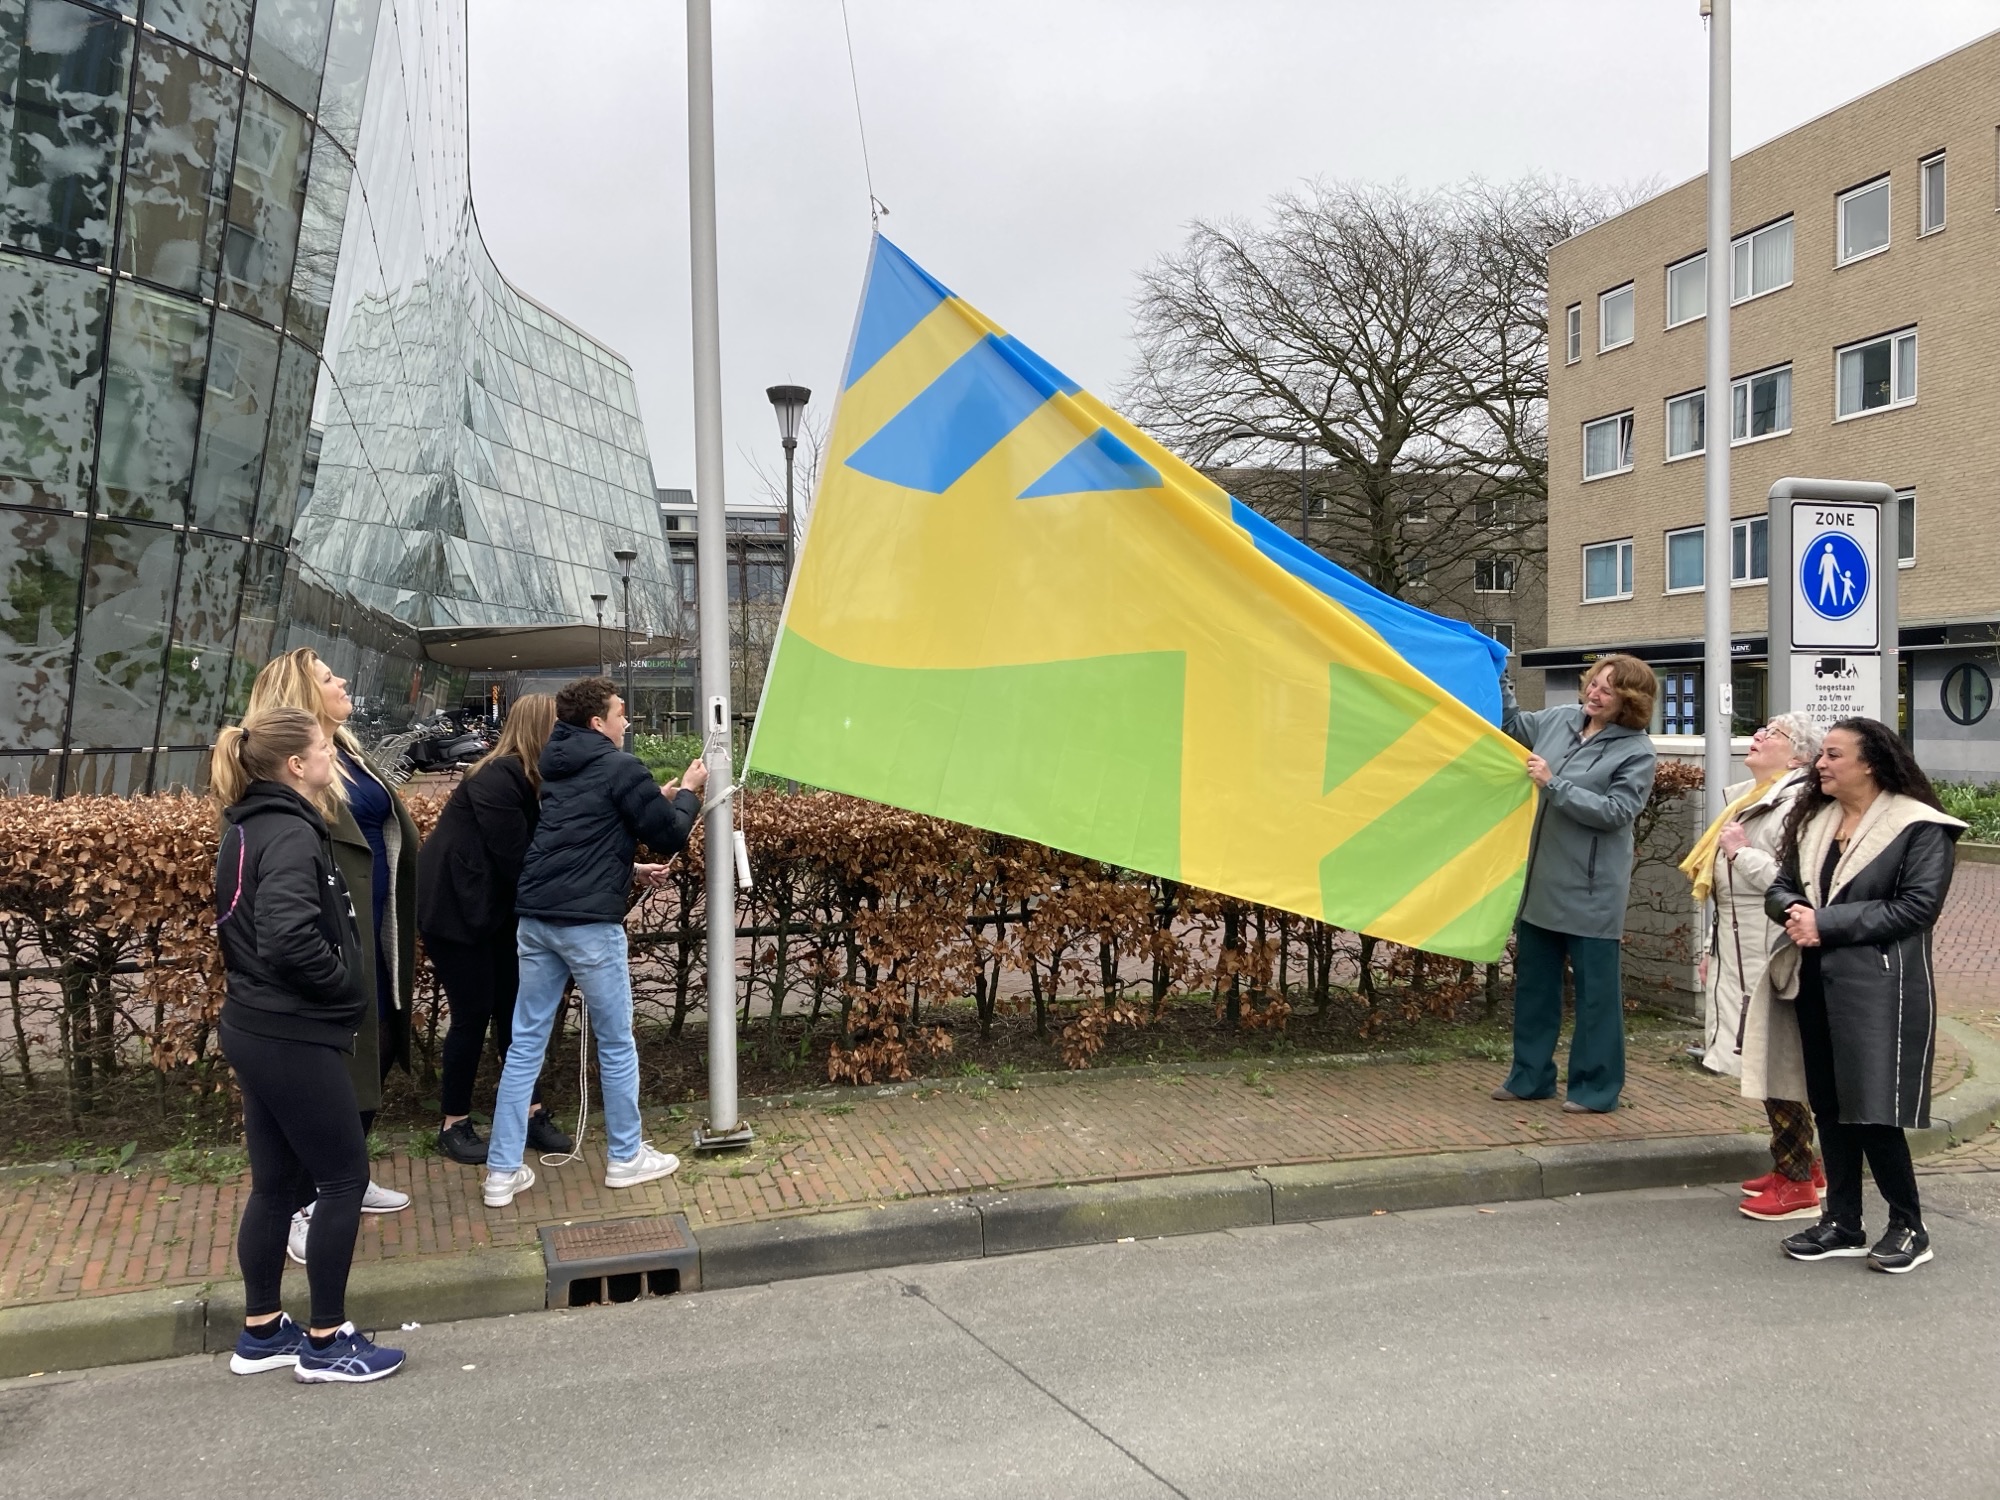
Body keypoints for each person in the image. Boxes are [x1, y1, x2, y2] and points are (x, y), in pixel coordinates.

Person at [211, 705, 405, 1382]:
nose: (334, 759)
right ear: (297, 764)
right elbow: (288, 935)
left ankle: (262, 1330)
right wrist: (343, 990)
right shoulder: (292, 834)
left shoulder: (248, 826)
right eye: (325, 749)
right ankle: (326, 1341)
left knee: (276, 1186)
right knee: (343, 1179)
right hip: (291, 1029)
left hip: (254, 1023)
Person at [482, 677, 707, 1208]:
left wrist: (657, 803)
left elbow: (589, 833)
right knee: (615, 1040)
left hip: (536, 919)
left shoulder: (556, 768)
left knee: (525, 1045)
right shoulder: (620, 766)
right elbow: (668, 835)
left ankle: (500, 1171)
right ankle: (626, 1158)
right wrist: (691, 791)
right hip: (588, 925)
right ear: (597, 723)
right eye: (620, 713)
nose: (627, 721)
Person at [1766, 717, 1963, 1273]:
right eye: (1821, 754)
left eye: (1833, 755)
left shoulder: (1921, 827)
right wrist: (1793, 912)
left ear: (1870, 762)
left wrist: (1824, 922)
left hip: (1880, 987)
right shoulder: (1817, 821)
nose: (1820, 764)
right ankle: (1844, 1222)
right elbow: (1783, 886)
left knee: (1875, 1110)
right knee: (1829, 1104)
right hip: (1813, 982)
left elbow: (1916, 908)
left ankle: (1909, 1226)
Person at [247, 648, 419, 1258]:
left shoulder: (342, 749)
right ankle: (308, 1201)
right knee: (340, 1060)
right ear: (300, 694)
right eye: (327, 677)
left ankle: (345, 1175)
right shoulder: (296, 772)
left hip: (377, 926)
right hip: (339, 932)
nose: (342, 680)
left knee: (380, 1046)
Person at [1492, 656, 1659, 1113]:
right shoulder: (1561, 720)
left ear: (1630, 701)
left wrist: (1553, 784)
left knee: (1596, 999)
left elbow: (1616, 812)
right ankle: (1529, 1078)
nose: (1594, 693)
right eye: (1593, 684)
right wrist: (1497, 672)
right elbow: (1512, 723)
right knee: (1534, 989)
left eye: (1608, 690)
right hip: (1541, 883)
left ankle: (1595, 1089)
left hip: (1591, 893)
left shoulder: (1637, 750)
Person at [1677, 713, 1826, 1221]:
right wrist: (1712, 953)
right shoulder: (1753, 797)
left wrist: (1740, 855)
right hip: (1743, 951)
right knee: (1772, 1061)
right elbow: (1727, 897)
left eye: (1774, 734)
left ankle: (1797, 1181)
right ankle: (1805, 1165)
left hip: (1769, 956)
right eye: (1761, 729)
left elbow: (1795, 883)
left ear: (1799, 756)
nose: (1759, 736)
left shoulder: (1795, 804)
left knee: (1775, 1062)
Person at [417, 694, 574, 1164]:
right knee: (473, 1012)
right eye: (560, 728)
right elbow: (517, 858)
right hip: (456, 913)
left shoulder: (529, 777)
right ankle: (454, 1122)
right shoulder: (497, 777)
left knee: (514, 1010)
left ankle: (530, 1111)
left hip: (492, 910)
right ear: (542, 729)